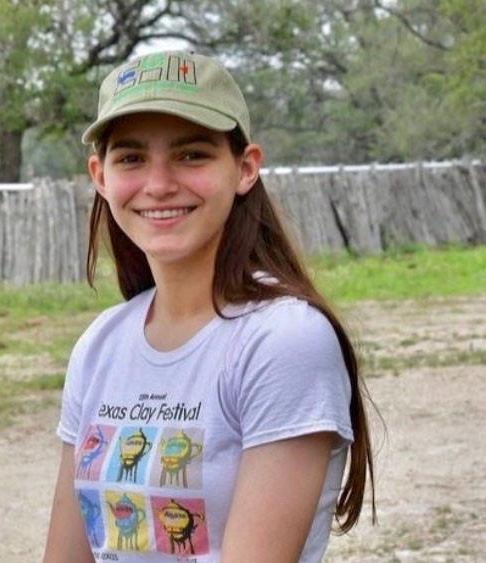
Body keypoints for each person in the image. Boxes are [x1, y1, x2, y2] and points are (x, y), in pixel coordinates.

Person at [43, 50, 375, 562]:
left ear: (245, 168)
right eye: (131, 158)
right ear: (100, 176)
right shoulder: (100, 345)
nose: (159, 185)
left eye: (192, 155)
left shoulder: (283, 340)